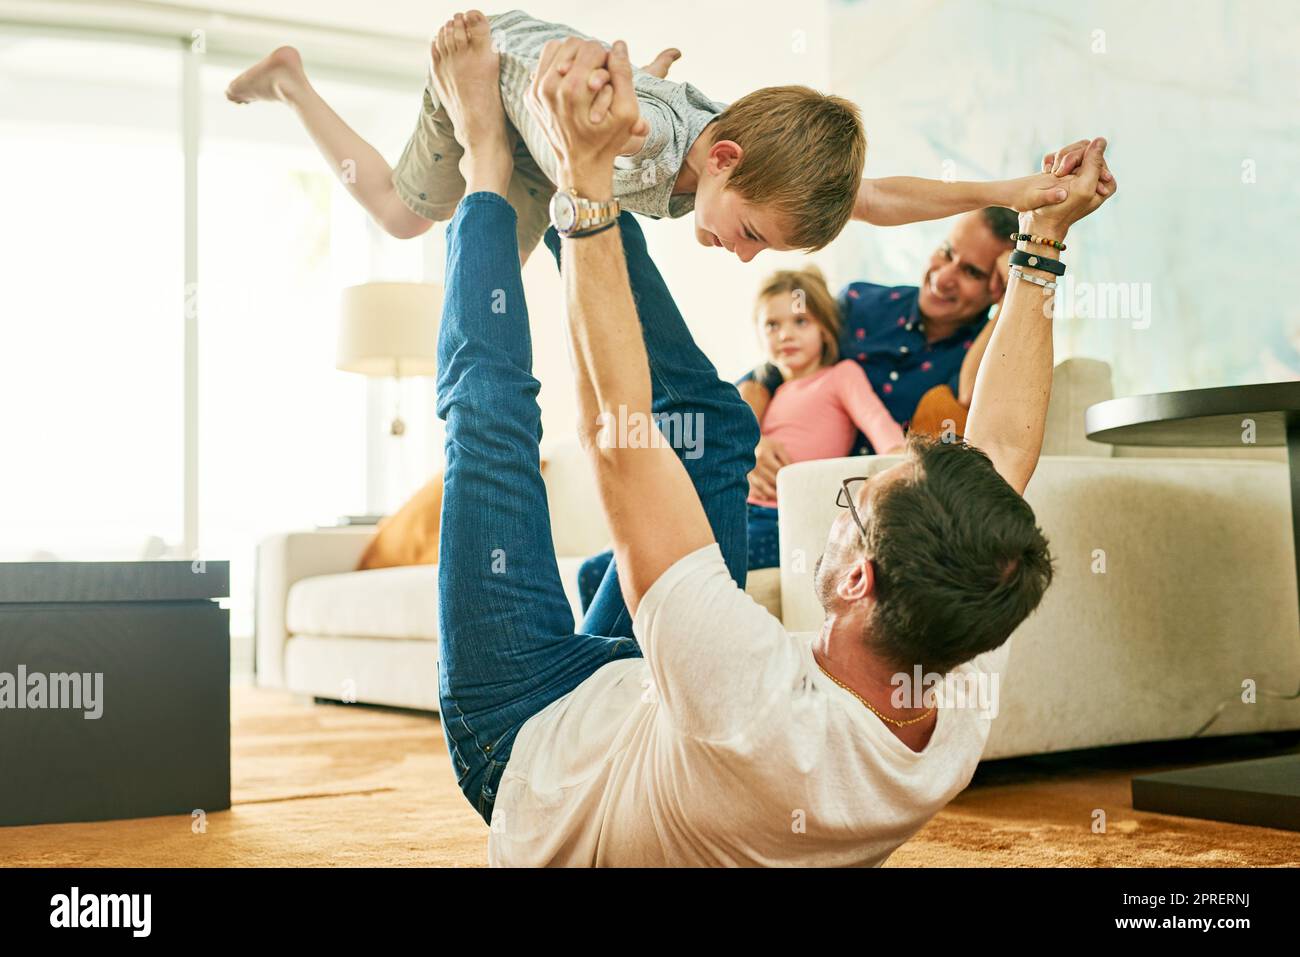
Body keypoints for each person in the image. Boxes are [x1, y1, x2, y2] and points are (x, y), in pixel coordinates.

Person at [427, 16, 1116, 865]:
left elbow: (619, 433)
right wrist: (1042, 238)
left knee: (493, 416)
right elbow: (1002, 455)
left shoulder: (750, 696)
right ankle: (556, 162)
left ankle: (489, 165)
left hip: (526, 733)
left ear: (859, 575)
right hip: (641, 689)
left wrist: (577, 182)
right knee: (720, 429)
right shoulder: (955, 648)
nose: (844, 494)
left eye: (853, 500)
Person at [225, 9, 1099, 263]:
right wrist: (628, 102)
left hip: (566, 137)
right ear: (722, 158)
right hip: (490, 71)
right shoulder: (645, 142)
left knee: (495, 264)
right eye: (752, 234)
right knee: (401, 216)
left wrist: (1016, 191)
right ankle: (292, 81)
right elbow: (625, 125)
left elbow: (876, 197)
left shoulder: (731, 151)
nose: (746, 255)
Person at [577, 264, 903, 604]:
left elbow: (884, 432)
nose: (785, 335)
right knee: (594, 570)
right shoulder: (765, 391)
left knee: (657, 566)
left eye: (800, 321)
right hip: (731, 503)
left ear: (826, 329)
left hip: (778, 521)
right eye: (772, 325)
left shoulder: (840, 377)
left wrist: (901, 464)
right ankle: (617, 653)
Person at [742, 207, 1022, 501]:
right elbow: (767, 374)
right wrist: (751, 440)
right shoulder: (858, 303)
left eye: (971, 272)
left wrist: (1015, 292)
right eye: (947, 252)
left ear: (997, 288)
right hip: (800, 492)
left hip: (890, 506)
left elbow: (968, 395)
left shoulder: (983, 353)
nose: (943, 277)